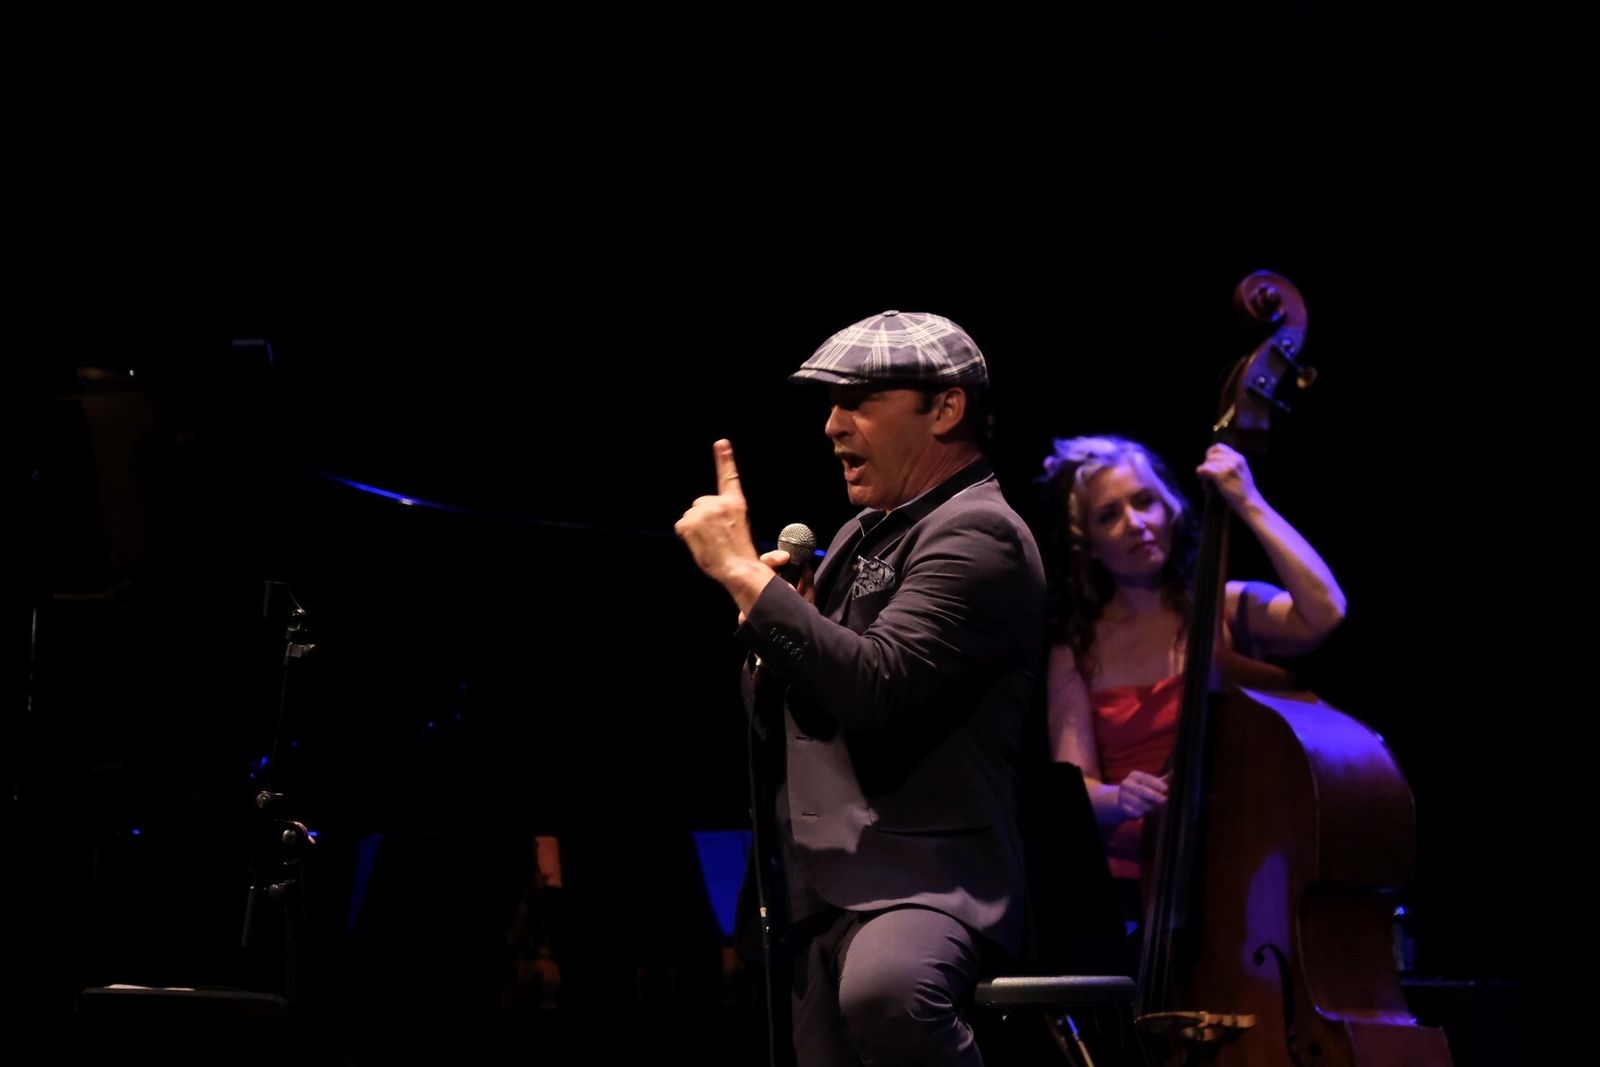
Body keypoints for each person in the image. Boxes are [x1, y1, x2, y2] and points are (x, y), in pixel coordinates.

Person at [675, 310, 1047, 1066]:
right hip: (824, 881)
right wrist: (787, 630)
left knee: (889, 990)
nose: (832, 426)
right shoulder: (860, 533)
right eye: (832, 404)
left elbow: (878, 688)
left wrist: (744, 575)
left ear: (945, 409)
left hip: (924, 880)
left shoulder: (979, 532)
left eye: (859, 403)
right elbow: (790, 709)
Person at [1036, 435, 1347, 920]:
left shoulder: (1223, 609)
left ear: (1171, 508)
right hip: (1130, 888)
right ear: (1088, 543)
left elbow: (1324, 612)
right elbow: (1077, 784)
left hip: (1235, 867)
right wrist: (1120, 798)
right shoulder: (1077, 644)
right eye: (1108, 515)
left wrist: (1248, 500)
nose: (1135, 524)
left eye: (1144, 502)